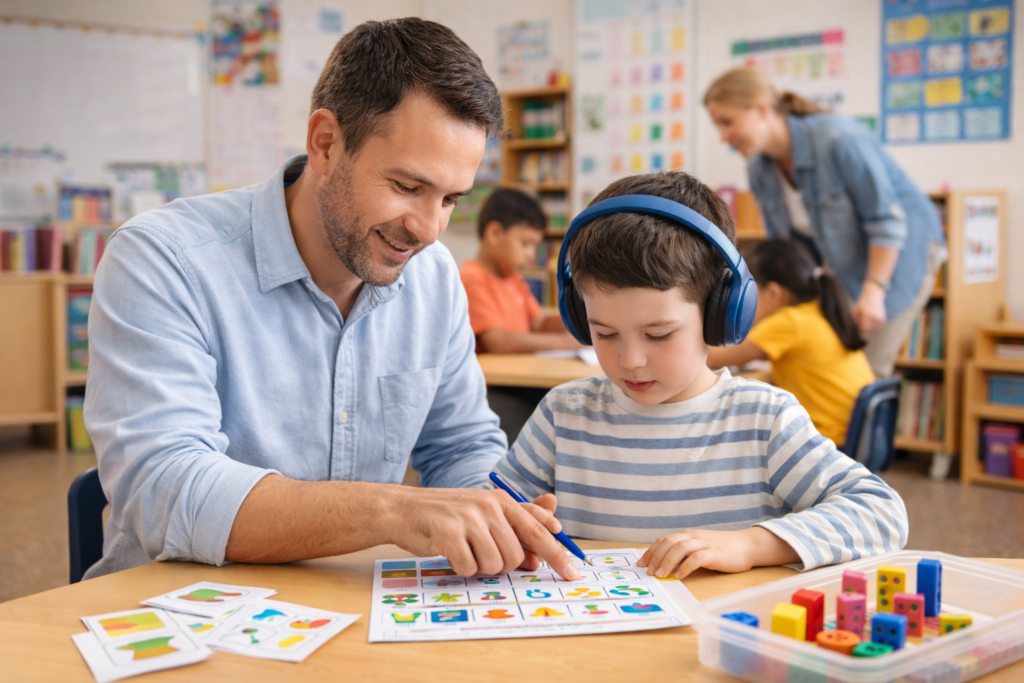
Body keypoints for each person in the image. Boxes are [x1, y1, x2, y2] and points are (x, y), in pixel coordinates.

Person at [82, 18, 578, 582]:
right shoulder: (164, 259)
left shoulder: (433, 277)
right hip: (184, 616)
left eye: (451, 199)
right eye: (408, 187)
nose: (430, 230)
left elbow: (461, 445)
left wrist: (496, 516)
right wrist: (393, 510)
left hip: (353, 609)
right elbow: (165, 491)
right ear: (325, 144)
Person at [491, 171, 908, 580]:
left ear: (720, 315)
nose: (631, 359)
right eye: (605, 333)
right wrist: (506, 524)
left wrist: (749, 544)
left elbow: (881, 513)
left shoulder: (763, 420)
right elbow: (491, 506)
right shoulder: (563, 416)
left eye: (659, 334)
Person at [703, 67, 946, 378]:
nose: (723, 136)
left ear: (762, 108)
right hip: (847, 265)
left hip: (899, 256)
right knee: (822, 361)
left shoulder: (840, 140)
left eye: (727, 122)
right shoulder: (760, 171)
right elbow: (787, 252)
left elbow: (886, 220)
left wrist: (874, 290)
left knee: (866, 368)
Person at [707, 238, 875, 447]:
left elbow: (713, 357)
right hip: (850, 431)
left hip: (823, 436)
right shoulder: (819, 312)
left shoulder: (789, 322)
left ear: (774, 293)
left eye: (749, 292)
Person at [460, 187, 578, 354]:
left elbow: (539, 323)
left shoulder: (513, 278)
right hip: (498, 378)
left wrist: (578, 318)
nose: (531, 255)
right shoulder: (471, 279)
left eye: (535, 247)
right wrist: (566, 342)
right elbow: (497, 342)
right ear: (494, 233)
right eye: (525, 243)